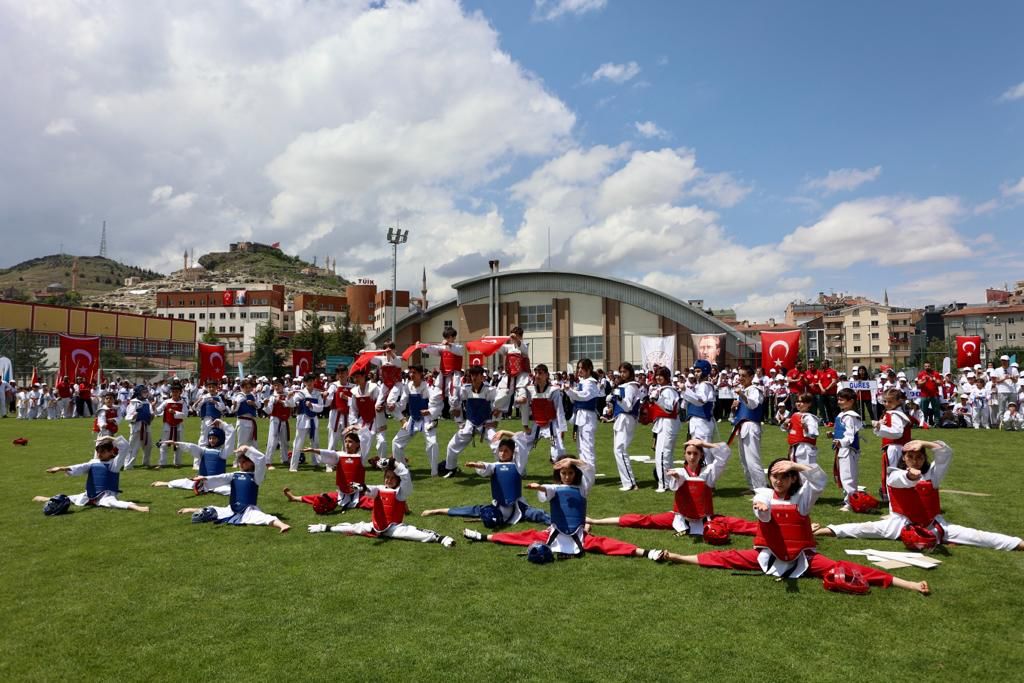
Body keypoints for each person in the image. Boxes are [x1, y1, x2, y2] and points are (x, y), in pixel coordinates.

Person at [654, 459, 930, 595]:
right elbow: (763, 514)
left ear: (793, 478)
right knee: (724, 558)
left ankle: (906, 583)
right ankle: (680, 557)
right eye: (774, 476)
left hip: (802, 558)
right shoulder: (764, 494)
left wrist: (797, 465)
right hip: (768, 555)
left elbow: (820, 481)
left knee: (845, 568)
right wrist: (762, 511)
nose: (778, 480)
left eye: (784, 476)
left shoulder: (802, 499)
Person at [815, 440, 1023, 552]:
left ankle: (1017, 543)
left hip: (933, 524)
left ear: (924, 458)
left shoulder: (932, 474)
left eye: (919, 457)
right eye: (910, 457)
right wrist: (910, 475)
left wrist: (925, 442)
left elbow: (946, 454)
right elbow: (901, 480)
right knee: (860, 529)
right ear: (904, 459)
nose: (915, 460)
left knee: (977, 536)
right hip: (900, 523)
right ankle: (821, 530)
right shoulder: (894, 474)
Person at [462, 458, 664, 561]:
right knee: (523, 536)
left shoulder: (582, 489)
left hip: (578, 535)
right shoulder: (555, 488)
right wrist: (539, 487)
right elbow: (549, 489)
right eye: (563, 473)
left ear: (575, 474)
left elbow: (589, 469)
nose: (567, 476)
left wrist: (573, 462)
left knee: (607, 544)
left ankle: (646, 552)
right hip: (555, 533)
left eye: (570, 473)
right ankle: (482, 537)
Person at [587, 439, 757, 539]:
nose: (692, 456)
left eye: (696, 453)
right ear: (684, 455)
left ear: (701, 455)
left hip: (704, 518)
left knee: (736, 524)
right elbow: (676, 484)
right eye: (689, 453)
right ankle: (596, 521)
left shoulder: (709, 472)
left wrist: (704, 444)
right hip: (679, 517)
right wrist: (675, 477)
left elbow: (724, 454)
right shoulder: (679, 471)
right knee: (644, 520)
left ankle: (767, 529)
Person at [307, 457, 455, 547]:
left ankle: (441, 538)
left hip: (394, 527)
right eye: (387, 477)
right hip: (375, 525)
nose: (388, 480)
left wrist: (392, 462)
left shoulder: (401, 492)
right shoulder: (379, 488)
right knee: (354, 527)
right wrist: (362, 487)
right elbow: (371, 490)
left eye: (392, 478)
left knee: (413, 533)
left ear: (397, 480)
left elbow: (405, 475)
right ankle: (324, 527)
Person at [421, 430, 550, 527]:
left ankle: (559, 525)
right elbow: (486, 466)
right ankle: (438, 511)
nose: (502, 453)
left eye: (506, 451)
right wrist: (478, 465)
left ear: (513, 453)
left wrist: (504, 432)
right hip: (499, 506)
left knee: (538, 514)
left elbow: (522, 441)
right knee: (473, 510)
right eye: (501, 450)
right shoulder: (495, 466)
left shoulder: (518, 466)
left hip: (518, 506)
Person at [178, 445, 290, 533]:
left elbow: (261, 459)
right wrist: (204, 478)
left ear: (251, 463)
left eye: (244, 462)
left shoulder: (256, 477)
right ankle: (192, 509)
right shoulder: (234, 475)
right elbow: (220, 478)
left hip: (248, 509)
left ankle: (282, 525)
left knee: (263, 517)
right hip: (232, 508)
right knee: (214, 510)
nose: (241, 464)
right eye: (240, 462)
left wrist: (248, 449)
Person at [34, 435, 149, 513]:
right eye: (98, 451)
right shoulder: (93, 462)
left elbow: (125, 447)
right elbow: (80, 467)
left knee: (113, 503)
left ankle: (136, 507)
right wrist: (61, 468)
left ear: (111, 452)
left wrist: (109, 438)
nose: (99, 454)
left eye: (103, 452)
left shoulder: (114, 464)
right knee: (71, 498)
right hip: (89, 494)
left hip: (105, 495)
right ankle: (48, 499)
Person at [282, 427, 373, 512]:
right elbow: (329, 453)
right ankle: (294, 498)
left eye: (350, 442)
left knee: (372, 502)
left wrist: (356, 428)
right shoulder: (340, 455)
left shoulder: (361, 457)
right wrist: (313, 450)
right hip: (342, 493)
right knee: (322, 497)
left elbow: (366, 439)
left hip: (358, 494)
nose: (347, 444)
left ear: (357, 444)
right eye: (345, 441)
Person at [445, 366, 504, 476]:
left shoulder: (490, 390)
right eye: (472, 375)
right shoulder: (465, 389)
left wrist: (496, 421)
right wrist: (459, 420)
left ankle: (503, 468)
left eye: (477, 375)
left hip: (486, 424)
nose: (474, 377)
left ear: (482, 377)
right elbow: (457, 404)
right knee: (452, 445)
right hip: (470, 423)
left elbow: (499, 405)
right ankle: (451, 469)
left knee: (497, 444)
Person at [389, 365, 444, 473]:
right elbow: (402, 404)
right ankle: (402, 469)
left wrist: (430, 411)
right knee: (396, 442)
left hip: (426, 420)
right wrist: (394, 406)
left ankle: (434, 472)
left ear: (420, 374)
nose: (411, 375)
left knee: (432, 444)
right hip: (413, 420)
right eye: (410, 372)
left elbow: (438, 403)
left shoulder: (428, 387)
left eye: (414, 372)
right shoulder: (408, 386)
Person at [605, 362, 640, 491]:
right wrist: (612, 400)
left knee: (620, 450)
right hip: (621, 418)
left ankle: (630, 482)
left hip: (626, 418)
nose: (622, 374)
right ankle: (627, 480)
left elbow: (628, 406)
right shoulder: (623, 386)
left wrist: (618, 398)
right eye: (621, 371)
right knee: (618, 450)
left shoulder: (631, 386)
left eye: (624, 371)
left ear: (630, 372)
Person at [522, 363, 566, 465]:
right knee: (521, 447)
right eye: (536, 373)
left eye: (540, 373)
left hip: (551, 423)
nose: (537, 376)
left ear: (546, 375)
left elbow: (559, 410)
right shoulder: (529, 389)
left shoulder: (554, 390)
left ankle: (560, 470)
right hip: (536, 423)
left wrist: (562, 429)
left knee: (559, 450)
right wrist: (525, 425)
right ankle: (518, 470)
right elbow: (524, 408)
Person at [730, 364, 766, 490]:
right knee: (744, 460)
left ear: (751, 377)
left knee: (753, 460)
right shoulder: (742, 391)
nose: (740, 378)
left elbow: (753, 405)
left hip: (751, 426)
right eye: (739, 375)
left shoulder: (755, 390)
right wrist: (733, 409)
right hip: (741, 427)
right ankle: (752, 487)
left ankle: (761, 489)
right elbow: (738, 414)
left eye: (744, 376)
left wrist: (742, 395)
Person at [873, 387, 912, 502]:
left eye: (890, 401)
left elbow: (897, 433)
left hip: (895, 447)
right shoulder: (894, 413)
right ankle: (894, 496)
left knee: (893, 472)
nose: (886, 404)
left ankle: (894, 497)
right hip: (895, 447)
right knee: (894, 471)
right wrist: (880, 426)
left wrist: (880, 427)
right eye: (885, 401)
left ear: (898, 401)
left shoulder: (895, 414)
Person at [563, 358, 601, 469]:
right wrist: (570, 391)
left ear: (589, 369)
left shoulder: (591, 383)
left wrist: (570, 391)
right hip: (580, 415)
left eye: (582, 368)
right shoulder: (582, 382)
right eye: (578, 368)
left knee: (587, 447)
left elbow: (584, 396)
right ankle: (584, 470)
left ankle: (590, 472)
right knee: (581, 447)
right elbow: (574, 399)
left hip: (587, 416)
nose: (579, 370)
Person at [161, 420, 235, 476]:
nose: (211, 440)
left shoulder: (223, 453)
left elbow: (230, 435)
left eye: (214, 438)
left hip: (217, 482)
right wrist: (175, 443)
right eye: (210, 438)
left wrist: (222, 423)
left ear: (220, 439)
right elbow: (190, 446)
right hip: (203, 481)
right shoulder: (203, 451)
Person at [420, 327, 464, 419]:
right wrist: (422, 346)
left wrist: (449, 345)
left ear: (454, 337)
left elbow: (456, 349)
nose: (446, 339)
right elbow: (433, 348)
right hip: (442, 375)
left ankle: (458, 418)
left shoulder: (459, 348)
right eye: (445, 337)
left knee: (454, 397)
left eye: (448, 337)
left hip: (453, 375)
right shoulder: (442, 348)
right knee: (435, 395)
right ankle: (432, 415)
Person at [831, 388, 864, 511]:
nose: (839, 402)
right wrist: (833, 435)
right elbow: (842, 431)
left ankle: (851, 502)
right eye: (838, 399)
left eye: (842, 400)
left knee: (848, 476)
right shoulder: (842, 415)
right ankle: (849, 499)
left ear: (850, 401)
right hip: (842, 449)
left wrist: (842, 442)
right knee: (843, 475)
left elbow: (850, 435)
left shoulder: (850, 416)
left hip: (848, 449)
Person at [289, 372, 324, 471]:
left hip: (313, 420)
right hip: (303, 420)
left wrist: (312, 406)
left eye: (311, 381)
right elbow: (292, 404)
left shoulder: (317, 393)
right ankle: (293, 466)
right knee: (298, 443)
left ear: (314, 381)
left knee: (315, 442)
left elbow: (321, 407)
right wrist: (290, 397)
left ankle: (316, 462)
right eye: (307, 381)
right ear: (304, 382)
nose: (310, 383)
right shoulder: (301, 393)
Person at [499, 326, 531, 427]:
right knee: (501, 396)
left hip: (521, 376)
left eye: (516, 335)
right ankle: (497, 413)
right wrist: (489, 340)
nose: (513, 337)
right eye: (512, 335)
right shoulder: (508, 347)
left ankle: (525, 424)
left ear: (520, 336)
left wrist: (517, 339)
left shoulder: (524, 346)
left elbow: (521, 347)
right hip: (509, 376)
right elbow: (498, 347)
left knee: (523, 398)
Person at [681, 359, 716, 441]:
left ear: (705, 372)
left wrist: (686, 390)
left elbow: (702, 400)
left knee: (702, 448)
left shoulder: (704, 385)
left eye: (698, 371)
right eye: (695, 371)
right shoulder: (698, 386)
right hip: (697, 422)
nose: (696, 373)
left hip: (702, 423)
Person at [155, 381, 187, 468]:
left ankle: (177, 462)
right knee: (164, 444)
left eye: (177, 392)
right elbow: (158, 411)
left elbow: (185, 415)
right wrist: (154, 406)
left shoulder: (183, 403)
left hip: (178, 426)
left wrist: (175, 412)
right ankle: (162, 463)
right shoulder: (166, 402)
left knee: (178, 444)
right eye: (173, 392)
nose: (174, 393)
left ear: (180, 392)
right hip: (167, 425)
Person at [782, 392, 818, 465]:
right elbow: (791, 430)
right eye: (797, 401)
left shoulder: (809, 418)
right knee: (794, 469)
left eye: (802, 402)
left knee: (805, 470)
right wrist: (785, 424)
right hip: (794, 447)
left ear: (809, 404)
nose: (798, 404)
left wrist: (805, 427)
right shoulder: (795, 415)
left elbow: (814, 434)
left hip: (805, 448)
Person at [124, 385, 154, 469]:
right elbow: (128, 416)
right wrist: (133, 416)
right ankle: (128, 465)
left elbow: (150, 412)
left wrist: (152, 416)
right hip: (136, 428)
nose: (145, 393)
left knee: (148, 445)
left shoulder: (147, 402)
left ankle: (146, 462)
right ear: (138, 393)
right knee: (133, 446)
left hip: (146, 427)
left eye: (146, 392)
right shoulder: (134, 402)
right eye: (143, 392)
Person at [192, 378, 227, 448]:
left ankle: (216, 451)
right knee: (204, 437)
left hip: (217, 420)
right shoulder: (204, 397)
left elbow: (223, 408)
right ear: (207, 388)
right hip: (206, 420)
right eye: (209, 387)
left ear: (216, 388)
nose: (211, 389)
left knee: (217, 436)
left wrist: (215, 402)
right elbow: (195, 408)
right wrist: (198, 401)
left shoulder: (219, 397)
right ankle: (202, 451)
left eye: (213, 387)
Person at [324, 365, 351, 452]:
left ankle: (346, 459)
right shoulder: (333, 386)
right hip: (335, 415)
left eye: (343, 373)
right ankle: (330, 460)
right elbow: (328, 400)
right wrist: (326, 396)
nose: (341, 375)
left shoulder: (353, 387)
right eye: (339, 373)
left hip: (348, 416)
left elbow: (355, 403)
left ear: (347, 373)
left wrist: (346, 398)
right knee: (332, 441)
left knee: (347, 441)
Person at [264, 378, 292, 464]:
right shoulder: (272, 397)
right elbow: (269, 411)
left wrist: (283, 400)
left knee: (284, 441)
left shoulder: (288, 394)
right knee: (272, 440)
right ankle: (268, 460)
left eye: (279, 385)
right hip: (275, 420)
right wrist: (266, 405)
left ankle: (285, 459)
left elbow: (292, 404)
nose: (277, 387)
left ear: (283, 386)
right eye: (275, 385)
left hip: (284, 420)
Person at [232, 378, 260, 449]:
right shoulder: (239, 396)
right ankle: (239, 456)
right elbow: (234, 410)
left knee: (253, 443)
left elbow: (259, 405)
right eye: (246, 387)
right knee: (242, 443)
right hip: (242, 421)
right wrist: (235, 404)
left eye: (249, 387)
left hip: (252, 421)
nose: (248, 389)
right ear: (241, 388)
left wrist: (253, 403)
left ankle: (251, 456)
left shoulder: (252, 395)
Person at [915, 361, 942, 426]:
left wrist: (934, 380)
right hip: (924, 394)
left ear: (931, 366)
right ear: (924, 367)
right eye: (926, 366)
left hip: (934, 394)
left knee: (936, 410)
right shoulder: (921, 374)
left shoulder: (936, 373)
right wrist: (925, 381)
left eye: (928, 366)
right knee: (923, 410)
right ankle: (924, 423)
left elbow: (939, 383)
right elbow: (919, 384)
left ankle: (937, 423)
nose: (927, 367)